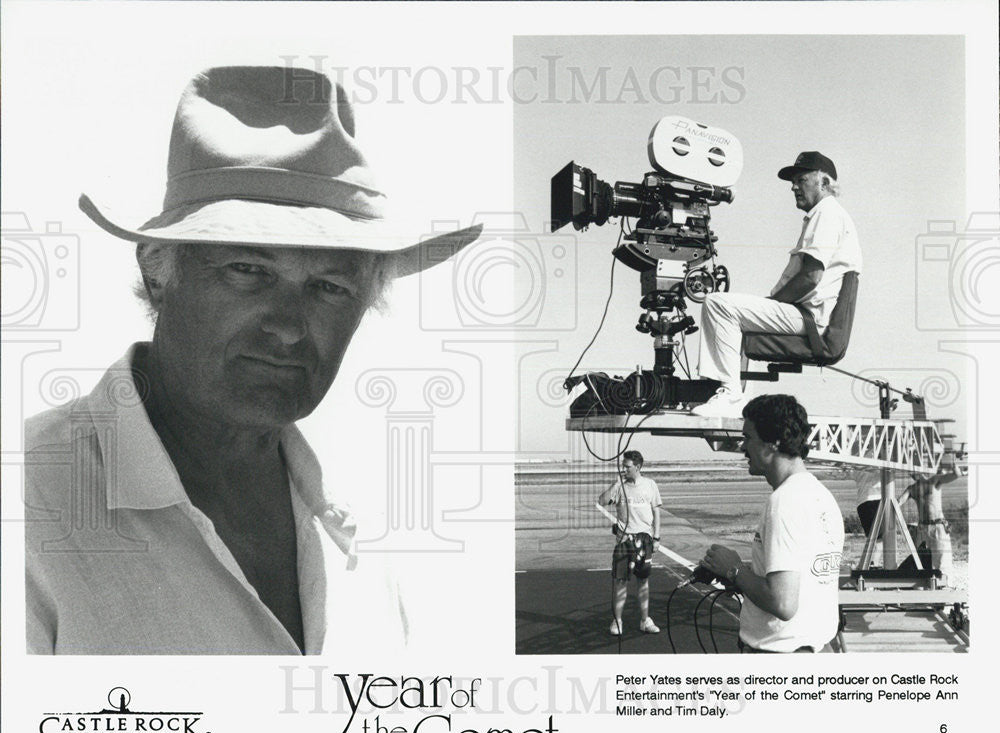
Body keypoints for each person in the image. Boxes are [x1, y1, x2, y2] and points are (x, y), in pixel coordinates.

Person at [23, 64, 482, 655]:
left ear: (366, 305)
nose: (289, 329)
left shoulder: (361, 523)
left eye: (330, 287)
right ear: (157, 271)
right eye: (248, 271)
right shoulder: (28, 504)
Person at [691, 152, 862, 418]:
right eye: (792, 182)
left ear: (824, 183)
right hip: (805, 314)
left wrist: (772, 304)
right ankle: (729, 389)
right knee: (732, 310)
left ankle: (730, 393)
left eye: (801, 179)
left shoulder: (827, 213)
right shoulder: (827, 215)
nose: (794, 187)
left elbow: (810, 277)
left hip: (808, 318)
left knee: (718, 304)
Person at [701, 395, 844, 653]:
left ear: (773, 442)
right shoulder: (821, 495)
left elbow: (783, 603)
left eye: (749, 437)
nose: (744, 447)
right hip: (814, 649)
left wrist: (733, 570)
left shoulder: (784, 501)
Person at [596, 450, 662, 636]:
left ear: (638, 467)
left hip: (645, 541)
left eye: (627, 467)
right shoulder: (619, 486)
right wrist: (615, 484)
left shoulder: (650, 485)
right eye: (623, 466)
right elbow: (601, 501)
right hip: (625, 542)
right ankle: (617, 621)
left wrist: (656, 538)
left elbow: (656, 512)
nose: (623, 469)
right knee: (620, 582)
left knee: (643, 581)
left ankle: (645, 620)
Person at [897, 459, 967, 586]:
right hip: (922, 528)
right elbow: (898, 503)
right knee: (921, 561)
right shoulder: (912, 488)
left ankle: (944, 587)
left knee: (942, 560)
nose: (910, 474)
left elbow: (956, 474)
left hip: (938, 526)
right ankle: (923, 588)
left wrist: (951, 460)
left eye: (911, 470)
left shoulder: (935, 481)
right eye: (909, 471)